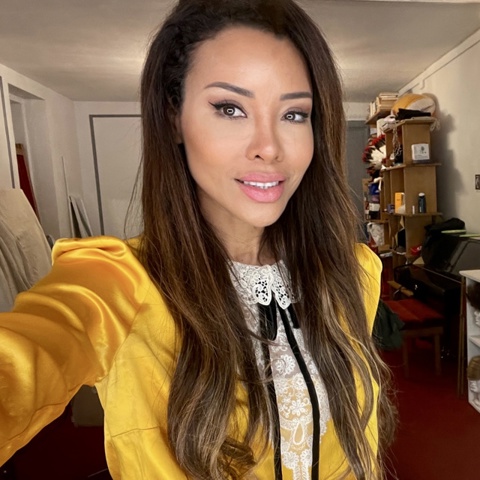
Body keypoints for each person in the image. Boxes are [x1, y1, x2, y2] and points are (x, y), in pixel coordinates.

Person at [0, 0, 396, 478]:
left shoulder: (353, 270)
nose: (269, 147)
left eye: (294, 114)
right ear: (174, 118)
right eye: (230, 108)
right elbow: (25, 359)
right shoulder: (116, 283)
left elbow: (358, 445)